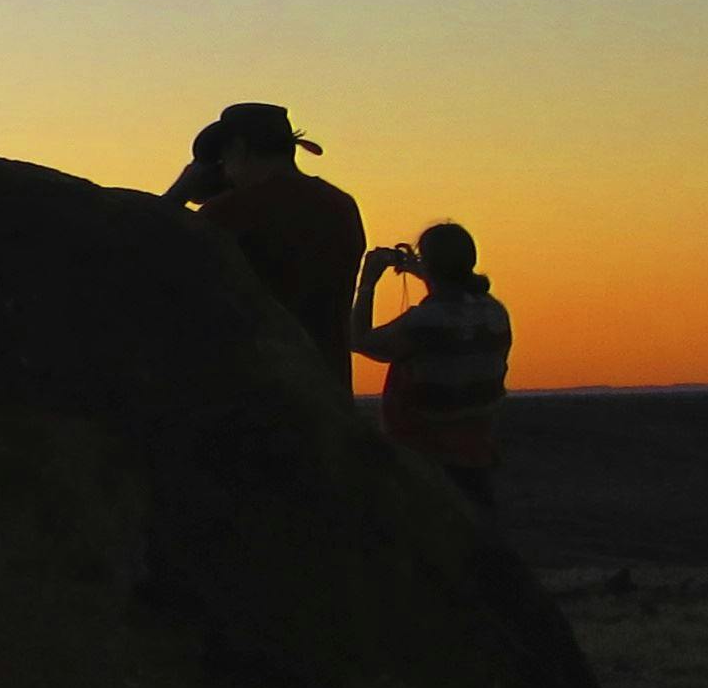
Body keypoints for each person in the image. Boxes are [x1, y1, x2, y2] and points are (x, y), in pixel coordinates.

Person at [163, 103, 366, 385]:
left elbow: (154, 260)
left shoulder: (230, 210)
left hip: (257, 389)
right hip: (329, 384)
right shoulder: (342, 205)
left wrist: (178, 195)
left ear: (239, 147)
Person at [355, 223, 514, 511]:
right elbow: (456, 291)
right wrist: (422, 269)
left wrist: (367, 283)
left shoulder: (425, 323)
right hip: (476, 456)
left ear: (429, 264)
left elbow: (359, 339)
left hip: (425, 460)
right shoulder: (495, 312)